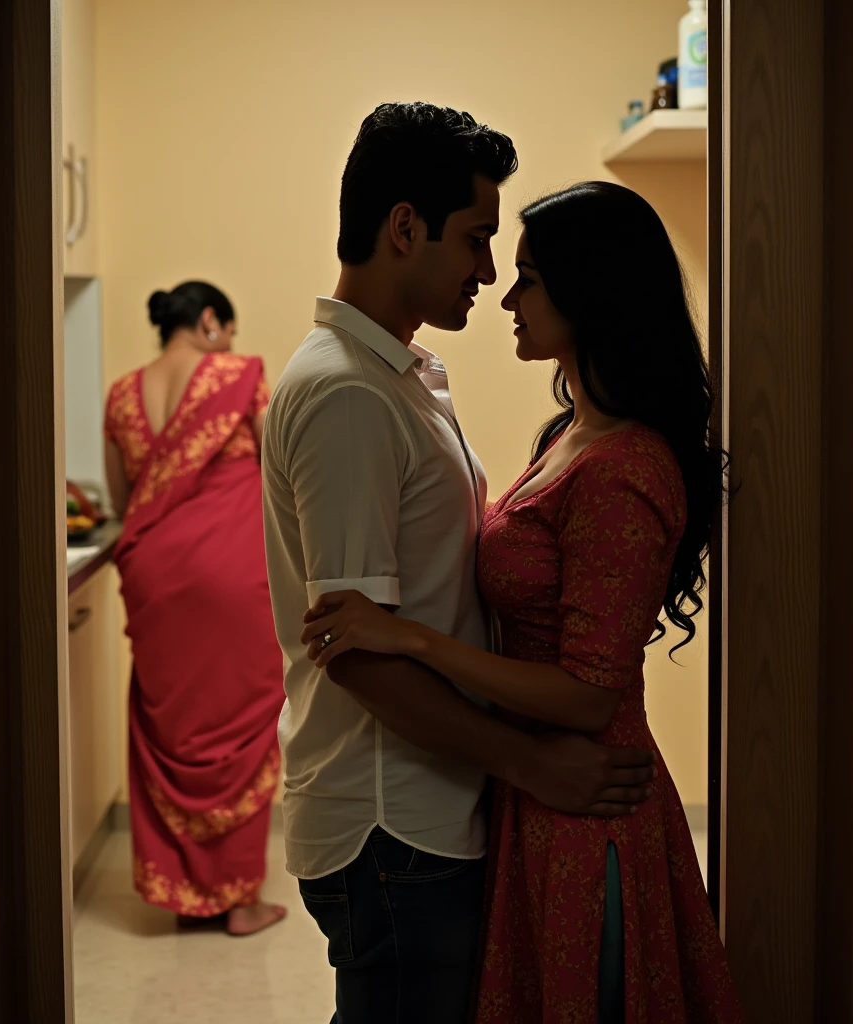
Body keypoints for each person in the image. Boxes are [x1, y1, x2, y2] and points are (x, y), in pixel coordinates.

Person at [301, 183, 745, 1022]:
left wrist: (411, 641)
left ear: (592, 293)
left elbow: (588, 691)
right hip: (534, 788)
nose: (504, 292)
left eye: (529, 278)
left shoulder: (627, 468)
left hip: (586, 799)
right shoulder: (567, 434)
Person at [261, 104, 658, 1023]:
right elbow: (354, 649)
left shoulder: (396, 376)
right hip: (392, 819)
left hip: (429, 803)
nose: (490, 271)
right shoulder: (346, 395)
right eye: (478, 238)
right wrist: (529, 763)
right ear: (406, 227)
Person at [105, 281, 286, 937]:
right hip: (231, 574)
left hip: (153, 578)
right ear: (211, 321)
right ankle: (238, 901)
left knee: (172, 722)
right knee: (240, 726)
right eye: (227, 331)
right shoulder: (238, 376)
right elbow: (279, 472)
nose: (230, 345)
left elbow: (125, 496)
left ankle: (187, 896)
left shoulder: (123, 393)